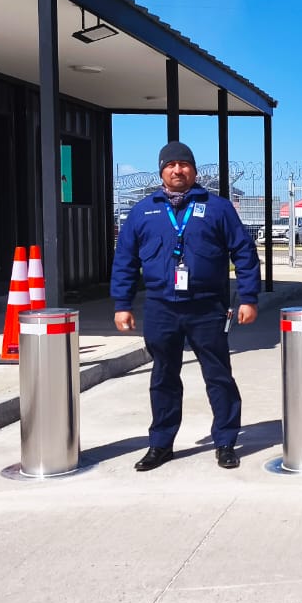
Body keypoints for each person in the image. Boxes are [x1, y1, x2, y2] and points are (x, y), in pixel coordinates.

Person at [111, 141, 261, 471]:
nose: (178, 170)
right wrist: (122, 304)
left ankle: (225, 441)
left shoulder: (218, 208)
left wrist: (249, 297)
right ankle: (161, 444)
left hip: (207, 307)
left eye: (184, 165)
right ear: (162, 171)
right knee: (164, 376)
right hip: (161, 307)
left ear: (194, 170)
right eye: (171, 165)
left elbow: (245, 254)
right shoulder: (143, 210)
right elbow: (125, 260)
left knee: (219, 376)